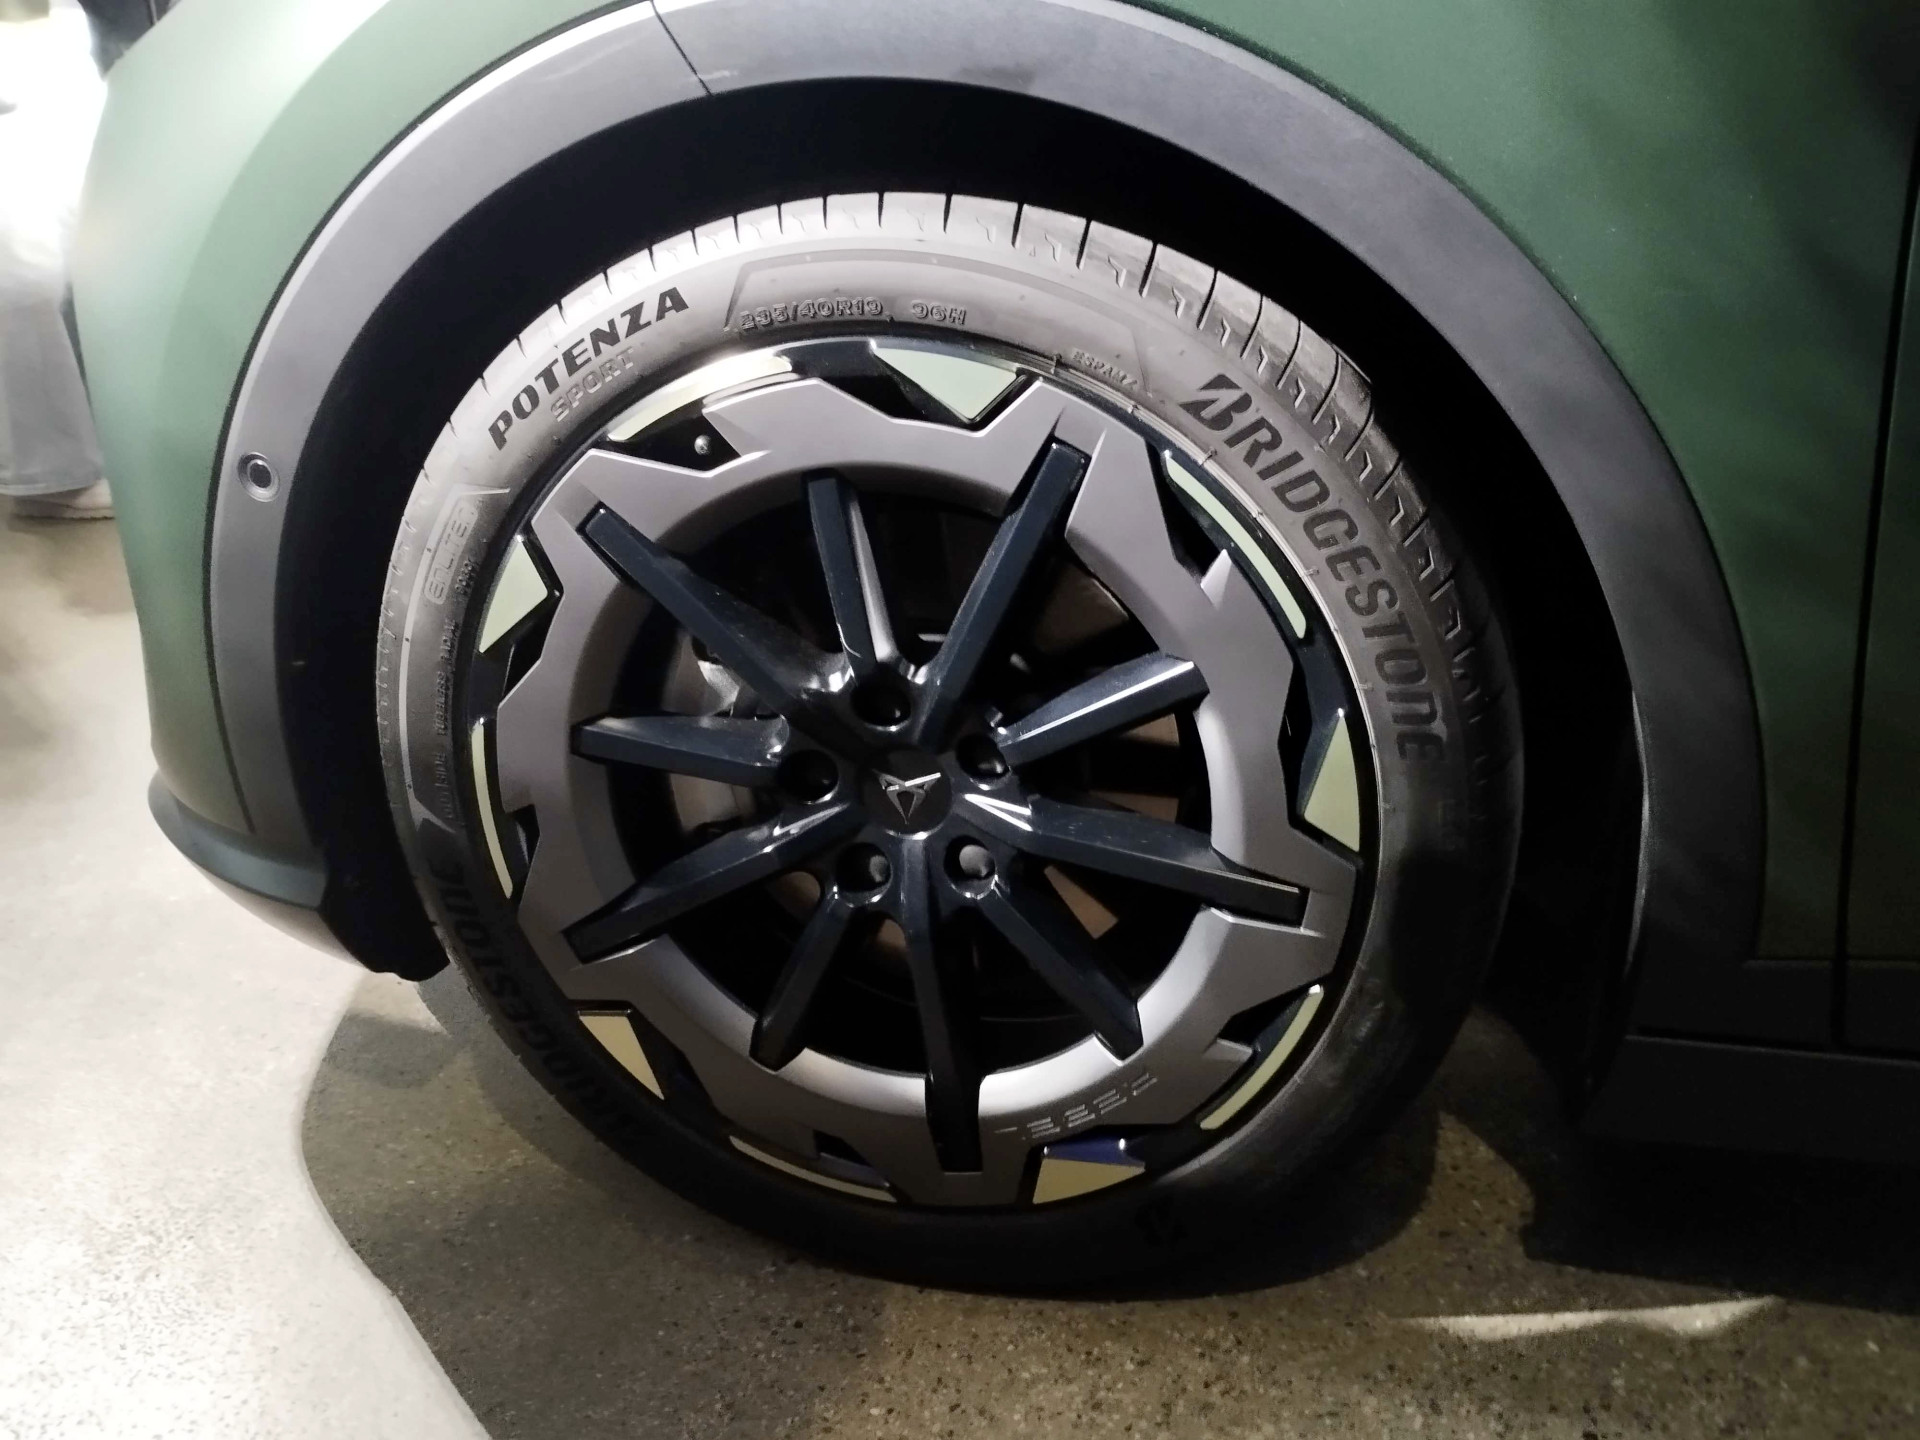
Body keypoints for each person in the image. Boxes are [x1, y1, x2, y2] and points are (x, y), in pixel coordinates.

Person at [0, 0, 111, 520]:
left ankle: (94, 443)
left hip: (72, 139)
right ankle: (48, 475)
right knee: (27, 285)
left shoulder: (69, 18)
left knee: (87, 279)